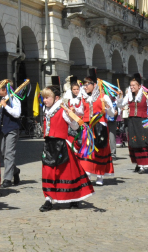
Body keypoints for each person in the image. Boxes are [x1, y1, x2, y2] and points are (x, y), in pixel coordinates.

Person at [39, 82, 94, 212]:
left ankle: (74, 198)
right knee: (48, 172)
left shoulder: (63, 110)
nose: (45, 100)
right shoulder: (46, 110)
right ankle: (48, 199)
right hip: (48, 145)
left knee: (67, 173)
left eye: (47, 97)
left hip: (61, 146)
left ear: (56, 98)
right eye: (44, 98)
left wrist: (72, 117)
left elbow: (75, 127)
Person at [78, 69, 115, 186]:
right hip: (87, 128)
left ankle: (100, 175)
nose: (84, 87)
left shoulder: (104, 97)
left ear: (94, 85)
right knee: (87, 151)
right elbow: (81, 111)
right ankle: (87, 174)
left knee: (100, 150)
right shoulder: (83, 98)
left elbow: (112, 114)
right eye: (83, 85)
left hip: (100, 128)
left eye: (86, 84)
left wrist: (108, 106)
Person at [117, 73, 148, 174]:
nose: (132, 87)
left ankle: (143, 164)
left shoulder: (146, 95)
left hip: (143, 121)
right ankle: (138, 163)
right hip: (132, 121)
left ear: (139, 86)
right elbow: (120, 104)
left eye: (134, 85)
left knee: (142, 141)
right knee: (133, 142)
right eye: (130, 85)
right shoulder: (129, 96)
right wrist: (120, 96)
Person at [0, 81, 21, 188]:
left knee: (9, 153)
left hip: (12, 128)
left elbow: (17, 114)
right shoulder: (0, 100)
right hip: (2, 130)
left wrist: (5, 106)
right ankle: (15, 171)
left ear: (4, 89)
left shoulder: (14, 98)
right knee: (3, 152)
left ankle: (7, 179)